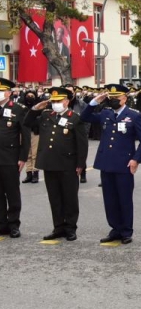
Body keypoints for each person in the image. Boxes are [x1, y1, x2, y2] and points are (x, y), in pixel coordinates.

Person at [81, 84, 141, 244]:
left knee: (124, 198)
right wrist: (94, 102)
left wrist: (136, 159)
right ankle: (115, 229)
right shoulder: (105, 113)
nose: (113, 101)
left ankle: (126, 231)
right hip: (106, 162)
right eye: (111, 98)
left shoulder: (134, 115)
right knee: (110, 199)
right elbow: (84, 118)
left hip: (124, 163)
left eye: (116, 98)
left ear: (124, 98)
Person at [23, 88, 87, 241]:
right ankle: (58, 227)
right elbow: (27, 123)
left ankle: (70, 228)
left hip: (68, 163)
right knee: (55, 197)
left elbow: (82, 144)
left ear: (66, 101)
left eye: (58, 101)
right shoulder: (46, 115)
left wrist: (80, 164)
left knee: (70, 198)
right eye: (53, 101)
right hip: (50, 163)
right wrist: (35, 109)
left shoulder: (74, 118)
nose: (55, 104)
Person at [0, 79, 30, 238]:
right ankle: (1, 224)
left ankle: (13, 224)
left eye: (1, 91)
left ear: (9, 93)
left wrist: (23, 157)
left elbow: (25, 136)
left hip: (10, 157)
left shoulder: (18, 109)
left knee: (12, 192)